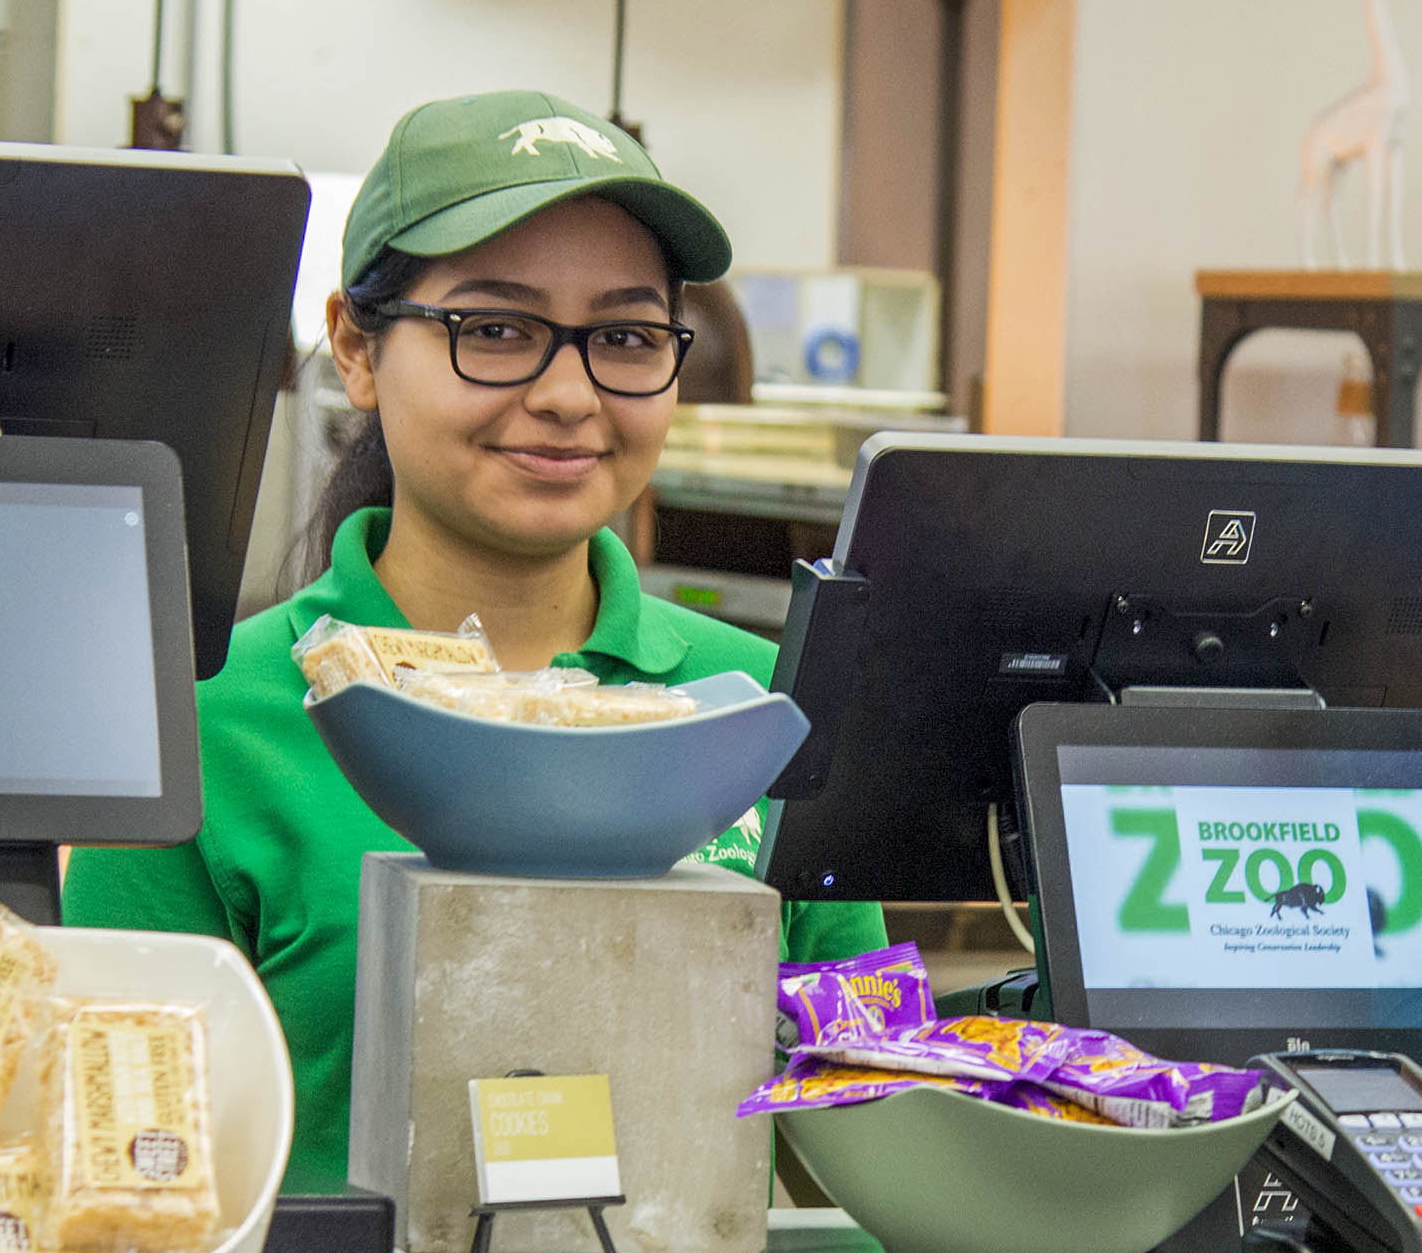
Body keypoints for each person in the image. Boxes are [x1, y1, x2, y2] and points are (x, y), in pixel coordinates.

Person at [62, 89, 887, 1193]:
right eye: (495, 330)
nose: (568, 395)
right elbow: (125, 1172)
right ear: (356, 349)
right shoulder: (201, 723)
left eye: (625, 338)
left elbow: (872, 1125)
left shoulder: (761, 705)